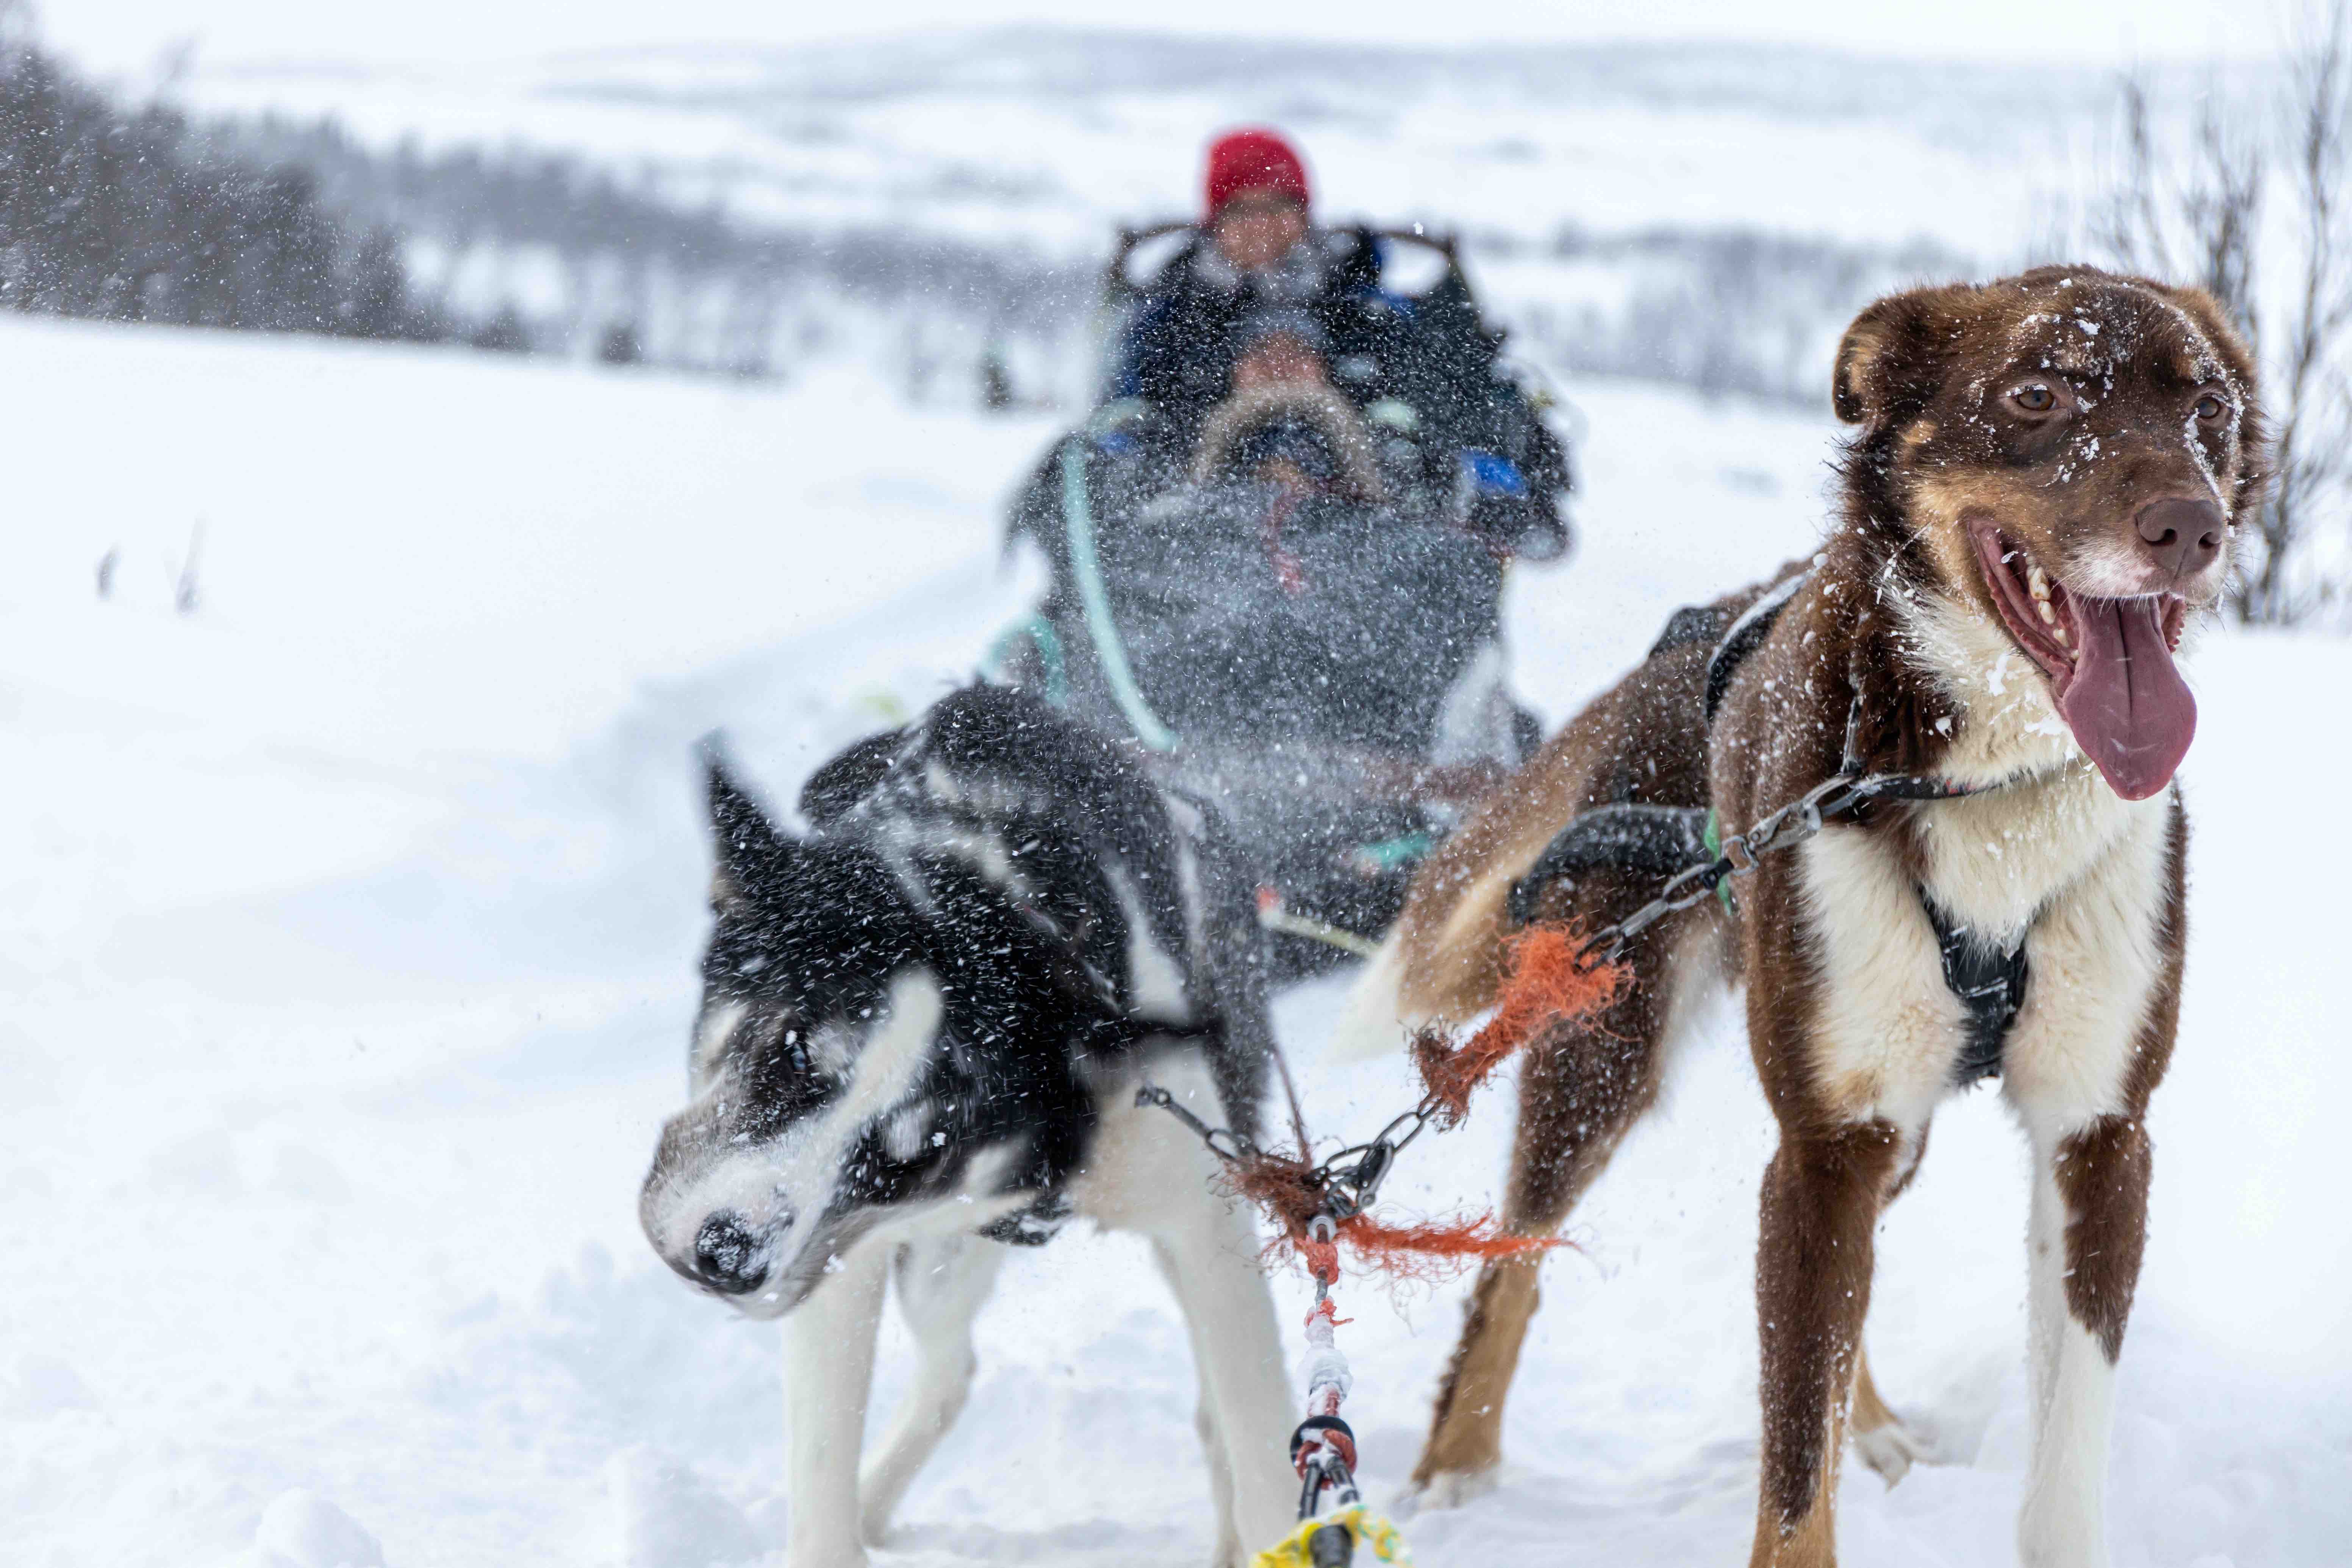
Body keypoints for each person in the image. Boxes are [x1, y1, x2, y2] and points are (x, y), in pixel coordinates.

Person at [1112, 126, 1571, 556]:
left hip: (1373, 562)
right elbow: (1112, 436)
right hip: (1194, 570)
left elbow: (1515, 502)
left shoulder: (1373, 319)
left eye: (1278, 206)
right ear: (1215, 221)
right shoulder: (1168, 326)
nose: (1261, 225)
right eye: (1240, 209)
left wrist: (1416, 472)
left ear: (1304, 212)